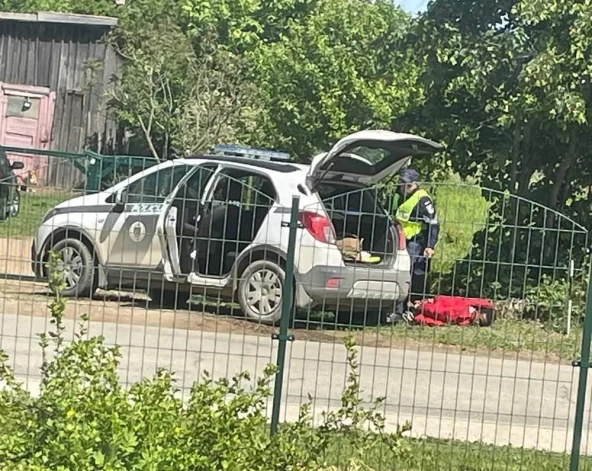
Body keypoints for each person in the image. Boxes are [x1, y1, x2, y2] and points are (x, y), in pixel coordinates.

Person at [388, 168, 439, 323]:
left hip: (415, 242)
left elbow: (434, 225)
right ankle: (396, 309)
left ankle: (407, 310)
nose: (404, 187)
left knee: (412, 276)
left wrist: (430, 246)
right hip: (396, 239)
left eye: (407, 184)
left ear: (414, 184)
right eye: (402, 183)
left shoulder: (423, 199)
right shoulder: (397, 194)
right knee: (398, 273)